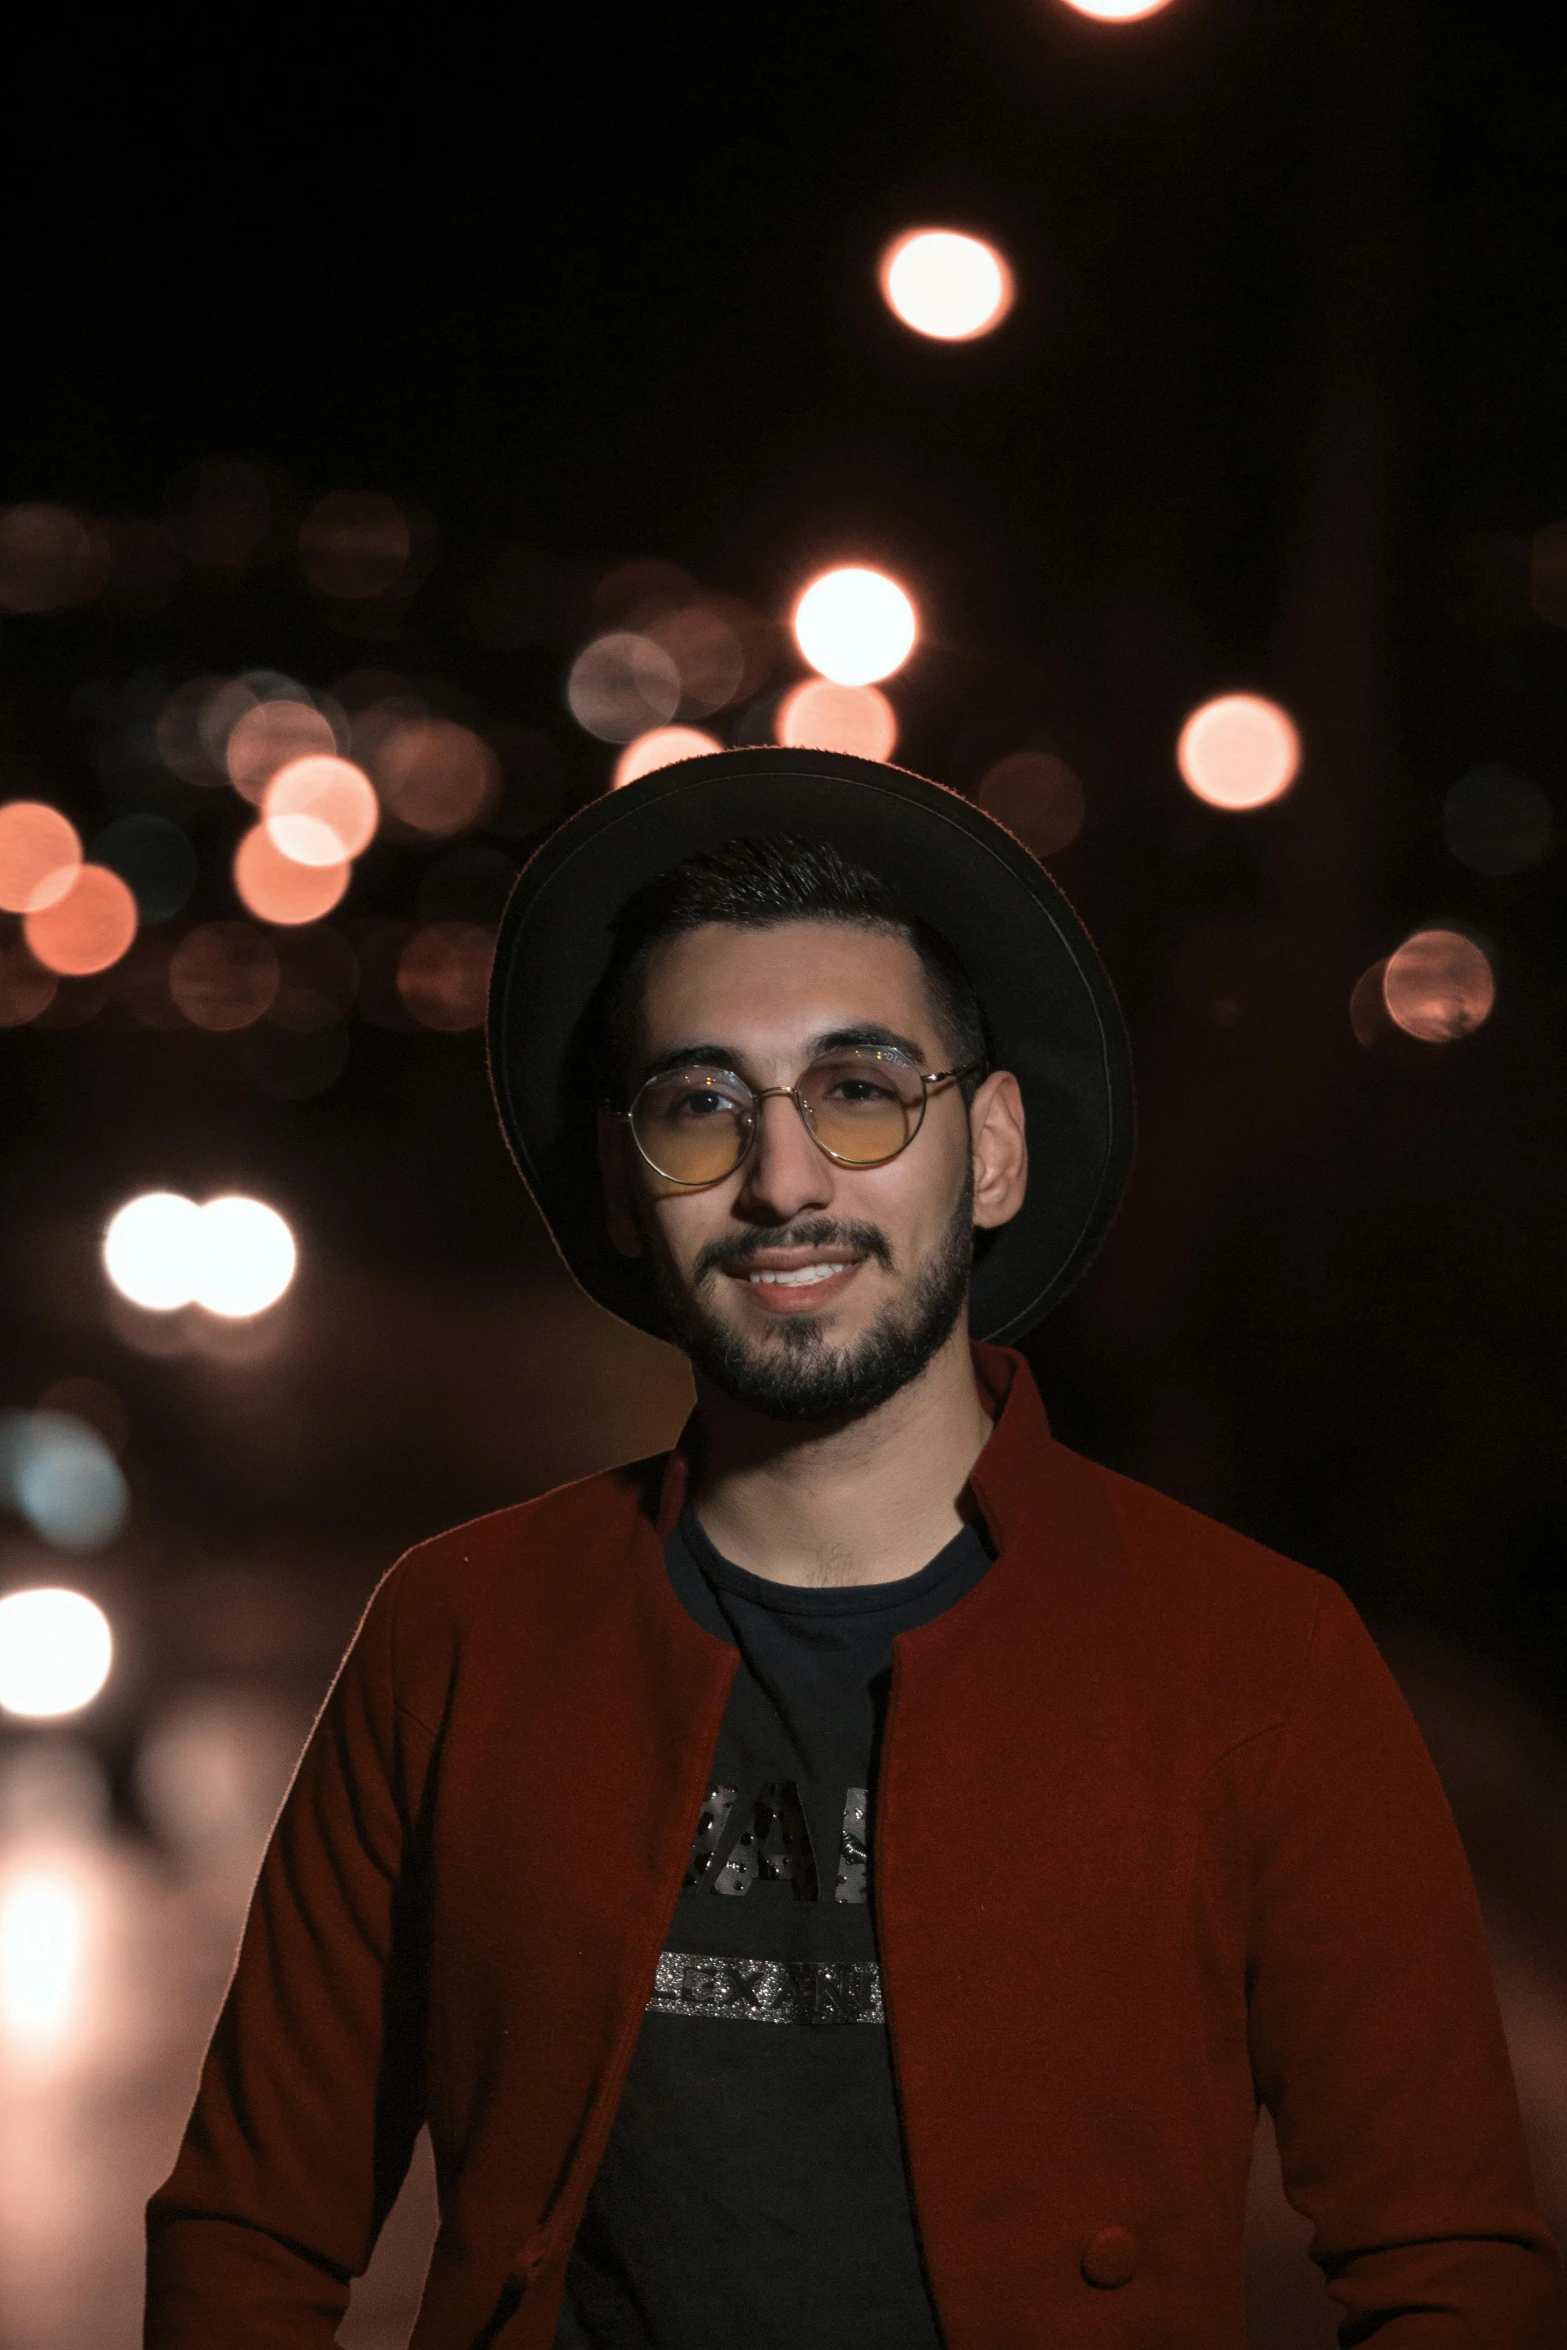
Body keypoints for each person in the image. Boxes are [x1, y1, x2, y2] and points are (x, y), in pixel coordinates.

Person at [145, 748, 1562, 2350]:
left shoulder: (1253, 1659)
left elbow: (1450, 2263)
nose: (783, 1177)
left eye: (861, 1089)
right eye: (699, 1106)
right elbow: (251, 2229)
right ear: (624, 1185)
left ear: (997, 1148)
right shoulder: (460, 1632)